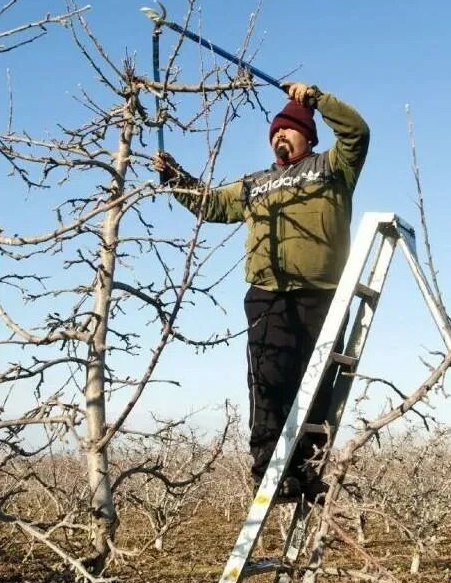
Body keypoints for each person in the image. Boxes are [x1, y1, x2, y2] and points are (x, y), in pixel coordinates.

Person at [153, 82, 370, 501]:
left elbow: (357, 131)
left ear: (308, 135)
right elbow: (211, 204)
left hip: (324, 294)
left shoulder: (334, 167)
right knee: (270, 384)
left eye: (288, 130)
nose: (279, 136)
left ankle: (307, 471)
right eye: (274, 132)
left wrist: (316, 100)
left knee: (320, 384)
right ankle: (270, 470)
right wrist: (174, 177)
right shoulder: (255, 183)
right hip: (268, 294)